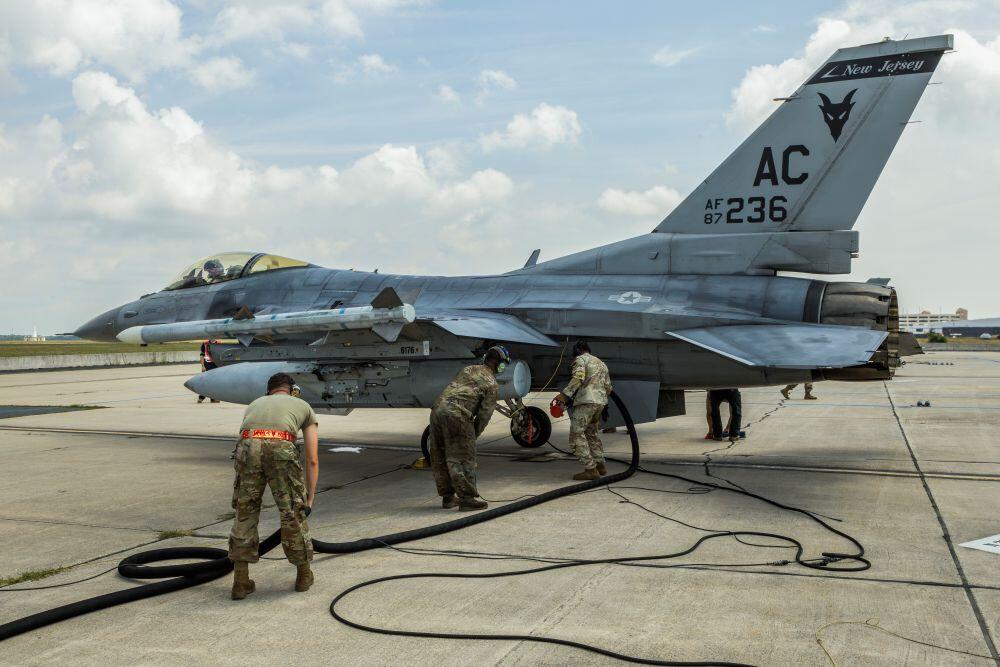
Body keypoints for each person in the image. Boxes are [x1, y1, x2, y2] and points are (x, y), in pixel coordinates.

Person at [228, 372, 319, 600]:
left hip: (247, 446)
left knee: (245, 513)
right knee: (292, 513)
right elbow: (312, 459)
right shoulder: (302, 406)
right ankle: (303, 576)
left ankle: (240, 582)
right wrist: (309, 499)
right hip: (281, 448)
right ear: (291, 390)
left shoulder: (254, 404)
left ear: (269, 391)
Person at [428, 345, 508, 511]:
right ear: (499, 364)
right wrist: (471, 436)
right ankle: (467, 499)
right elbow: (485, 415)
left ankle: (448, 497)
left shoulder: (468, 369)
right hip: (457, 415)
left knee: (440, 455)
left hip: (437, 411)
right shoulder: (492, 383)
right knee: (462, 458)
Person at [554, 341, 613, 480]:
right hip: (600, 403)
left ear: (578, 351)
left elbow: (578, 378)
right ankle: (600, 465)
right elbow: (609, 387)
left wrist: (564, 395)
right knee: (591, 433)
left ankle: (590, 469)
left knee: (576, 435)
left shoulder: (580, 360)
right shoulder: (601, 363)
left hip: (586, 402)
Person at [197, 339, 221, 403]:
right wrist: (203, 366)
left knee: (215, 382)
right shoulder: (205, 343)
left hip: (216, 364)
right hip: (208, 364)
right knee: (206, 381)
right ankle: (201, 397)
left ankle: (213, 398)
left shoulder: (219, 342)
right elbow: (202, 355)